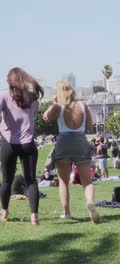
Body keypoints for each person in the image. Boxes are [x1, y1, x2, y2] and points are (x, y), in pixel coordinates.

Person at [43, 80, 100, 223]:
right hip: (80, 141)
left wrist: (53, 103)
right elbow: (89, 127)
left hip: (64, 142)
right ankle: (90, 202)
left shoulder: (58, 107)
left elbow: (45, 117)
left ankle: (67, 212)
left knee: (63, 181)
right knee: (87, 181)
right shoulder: (82, 105)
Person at [0, 68, 43, 225]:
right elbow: (34, 111)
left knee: (7, 180)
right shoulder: (32, 98)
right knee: (31, 180)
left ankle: (4, 212)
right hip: (28, 144)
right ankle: (34, 217)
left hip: (8, 143)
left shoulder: (3, 96)